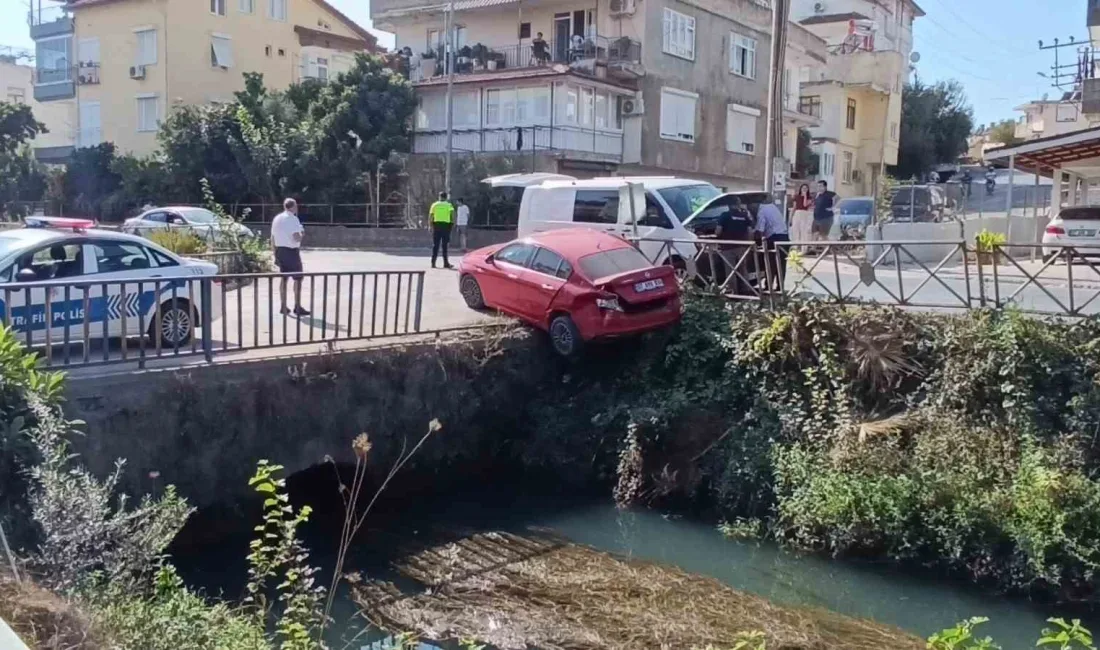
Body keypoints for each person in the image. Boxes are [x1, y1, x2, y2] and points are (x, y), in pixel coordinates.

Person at [271, 197, 310, 316]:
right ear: (293, 207)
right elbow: (296, 237)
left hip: (279, 250)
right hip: (291, 251)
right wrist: (302, 233)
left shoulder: (277, 218)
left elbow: (272, 237)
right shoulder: (293, 219)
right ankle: (297, 306)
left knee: (284, 278)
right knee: (298, 279)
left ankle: (283, 306)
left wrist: (275, 253)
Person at [755, 199, 789, 291]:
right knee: (782, 264)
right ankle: (780, 287)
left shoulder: (761, 211)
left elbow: (760, 230)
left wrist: (757, 240)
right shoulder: (774, 207)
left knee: (770, 263)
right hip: (785, 237)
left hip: (774, 238)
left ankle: (768, 286)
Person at [429, 191, 455, 269]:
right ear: (446, 197)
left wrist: (430, 226)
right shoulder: (449, 205)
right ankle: (445, 263)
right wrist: (453, 223)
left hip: (436, 225)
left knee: (435, 245)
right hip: (446, 226)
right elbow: (452, 214)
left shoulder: (434, 205)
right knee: (444, 246)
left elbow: (431, 215)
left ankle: (433, 263)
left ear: (439, 197)